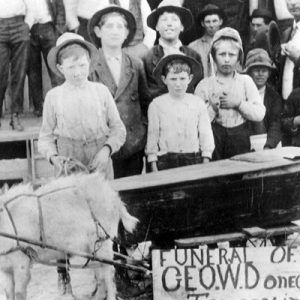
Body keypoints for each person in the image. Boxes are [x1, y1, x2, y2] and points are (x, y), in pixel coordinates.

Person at [38, 32, 126, 296]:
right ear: (60, 68)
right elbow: (45, 137)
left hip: (98, 160)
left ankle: (112, 278)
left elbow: (118, 129)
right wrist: (55, 158)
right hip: (69, 162)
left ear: (89, 63)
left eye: (82, 64)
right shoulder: (54, 97)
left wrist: (107, 150)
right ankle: (64, 277)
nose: (77, 71)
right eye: (71, 66)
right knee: (67, 219)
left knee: (105, 219)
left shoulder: (101, 92)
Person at [88, 5, 150, 178]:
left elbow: (145, 102)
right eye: (109, 26)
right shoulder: (90, 66)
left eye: (120, 27)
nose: (114, 31)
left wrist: (141, 133)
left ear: (126, 33)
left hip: (133, 144)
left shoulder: (136, 64)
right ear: (98, 31)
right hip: (102, 148)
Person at [195, 27, 265, 161]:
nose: (227, 60)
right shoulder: (205, 85)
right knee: (216, 176)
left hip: (240, 138)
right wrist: (213, 108)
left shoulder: (246, 81)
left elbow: (259, 113)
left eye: (232, 55)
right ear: (214, 56)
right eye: (222, 54)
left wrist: (239, 103)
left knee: (239, 175)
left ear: (239, 57)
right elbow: (196, 121)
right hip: (214, 138)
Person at [146, 54, 214, 171]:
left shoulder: (197, 103)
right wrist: (153, 162)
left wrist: (206, 157)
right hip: (166, 160)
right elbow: (153, 136)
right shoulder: (156, 105)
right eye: (173, 79)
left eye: (182, 78)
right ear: (164, 79)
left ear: (190, 78)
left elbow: (205, 133)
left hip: (193, 159)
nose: (178, 84)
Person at [143, 0, 203, 101]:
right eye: (164, 20)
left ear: (182, 27)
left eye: (174, 19)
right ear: (157, 26)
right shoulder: (148, 57)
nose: (169, 24)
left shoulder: (193, 55)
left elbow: (198, 90)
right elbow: (146, 93)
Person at [63, 0, 156, 58]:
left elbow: (150, 27)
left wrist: (146, 46)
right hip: (109, 47)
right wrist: (74, 24)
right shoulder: (107, 4)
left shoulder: (140, 2)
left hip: (136, 49)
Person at [28, 0, 66, 117]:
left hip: (48, 27)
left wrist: (59, 28)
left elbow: (59, 6)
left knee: (54, 67)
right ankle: (38, 106)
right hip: (29, 30)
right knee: (33, 70)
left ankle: (61, 105)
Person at [0, 0, 34, 130]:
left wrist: (27, 26)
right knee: (0, 73)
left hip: (19, 26)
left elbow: (32, 6)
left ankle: (15, 116)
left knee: (19, 75)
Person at [245, 48, 282, 149]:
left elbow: (275, 124)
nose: (260, 74)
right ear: (248, 72)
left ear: (269, 73)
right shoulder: (241, 93)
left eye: (264, 70)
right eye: (256, 70)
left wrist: (268, 146)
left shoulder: (274, 97)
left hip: (268, 143)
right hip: (244, 144)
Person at [189, 4, 225, 78]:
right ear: (203, 23)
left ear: (220, 22)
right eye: (208, 22)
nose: (211, 25)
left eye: (214, 21)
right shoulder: (193, 47)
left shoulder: (229, 45)